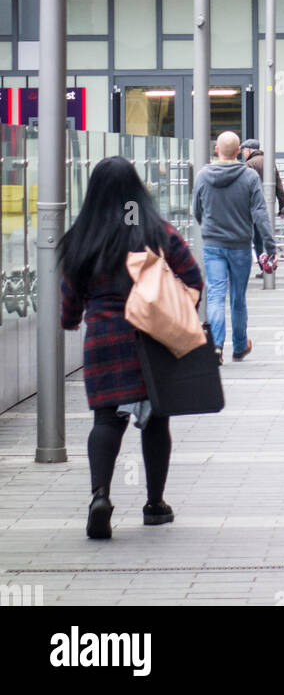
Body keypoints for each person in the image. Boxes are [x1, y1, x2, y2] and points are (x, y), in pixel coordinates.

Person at [59, 156, 203, 539]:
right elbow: (192, 277)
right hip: (151, 337)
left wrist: (71, 319)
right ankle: (155, 505)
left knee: (106, 420)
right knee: (156, 419)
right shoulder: (156, 231)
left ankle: (100, 496)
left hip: (104, 338)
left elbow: (70, 295)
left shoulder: (81, 236)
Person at [192, 130, 276, 364]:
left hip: (213, 246)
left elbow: (196, 210)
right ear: (239, 151)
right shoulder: (250, 177)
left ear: (217, 150)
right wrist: (270, 247)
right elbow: (260, 214)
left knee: (216, 295)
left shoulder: (202, 176)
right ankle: (239, 346)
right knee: (238, 297)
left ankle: (216, 346)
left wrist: (208, 228)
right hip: (240, 246)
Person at [240, 138, 284, 273]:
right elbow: (279, 186)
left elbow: (245, 189)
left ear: (249, 150)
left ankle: (264, 267)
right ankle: (271, 262)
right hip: (269, 205)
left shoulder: (248, 164)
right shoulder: (269, 163)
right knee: (266, 234)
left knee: (257, 239)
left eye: (243, 150)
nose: (243, 153)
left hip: (254, 207)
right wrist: (282, 206)